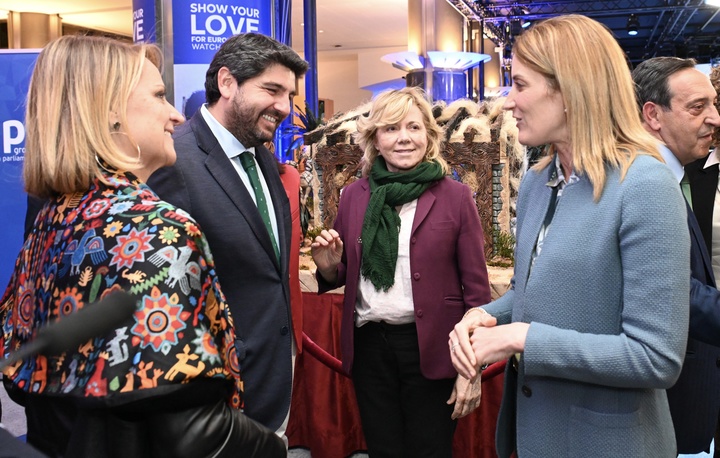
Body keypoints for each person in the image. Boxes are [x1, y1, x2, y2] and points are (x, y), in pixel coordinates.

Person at [0, 35, 283, 457]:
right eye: (159, 95)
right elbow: (195, 431)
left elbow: (23, 376)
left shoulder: (52, 222)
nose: (174, 114)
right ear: (110, 113)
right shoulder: (153, 232)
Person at [450, 15, 689, 458]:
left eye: (520, 85)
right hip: (533, 434)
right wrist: (486, 316)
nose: (507, 103)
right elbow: (535, 291)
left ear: (570, 91)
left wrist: (521, 338)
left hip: (606, 442)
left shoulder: (646, 186)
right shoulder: (542, 180)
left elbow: (656, 357)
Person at [311, 86, 491, 457]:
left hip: (434, 347)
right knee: (383, 449)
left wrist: (471, 368)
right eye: (391, 129)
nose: (403, 138)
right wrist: (329, 267)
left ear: (429, 135)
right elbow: (344, 271)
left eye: (413, 127)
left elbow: (477, 293)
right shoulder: (353, 197)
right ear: (375, 138)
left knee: (430, 449)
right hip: (370, 349)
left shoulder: (455, 197)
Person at [147, 33, 308, 439]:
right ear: (227, 82)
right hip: (215, 398)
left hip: (273, 381)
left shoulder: (262, 157)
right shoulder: (173, 161)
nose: (284, 108)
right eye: (272, 90)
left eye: (289, 95)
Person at [635, 57, 720, 455]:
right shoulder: (644, 180)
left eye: (714, 105)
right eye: (697, 107)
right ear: (653, 115)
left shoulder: (675, 174)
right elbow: (669, 289)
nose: (715, 119)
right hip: (662, 395)